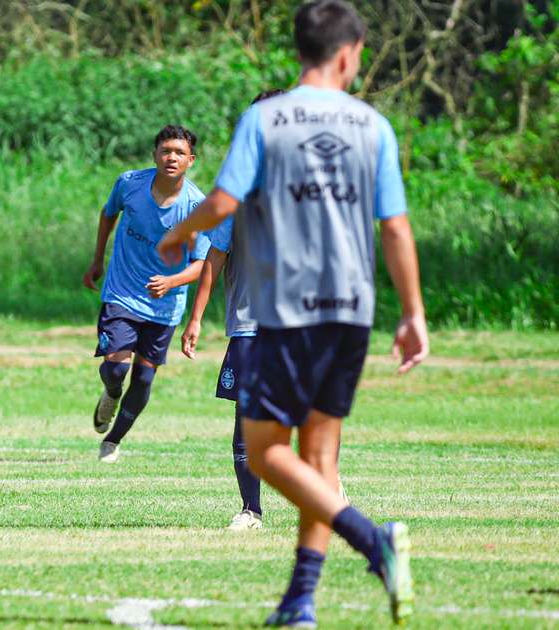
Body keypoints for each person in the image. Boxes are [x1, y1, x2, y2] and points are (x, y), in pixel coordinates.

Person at [158, 1, 427, 625]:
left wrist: (181, 234)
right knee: (320, 460)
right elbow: (394, 227)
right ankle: (300, 601)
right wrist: (412, 311)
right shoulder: (372, 125)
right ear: (350, 52)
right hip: (350, 311)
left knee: (262, 451)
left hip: (286, 311)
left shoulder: (266, 119)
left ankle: (372, 540)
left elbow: (223, 201)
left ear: (301, 50)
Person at [181, 89, 285, 531]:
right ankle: (251, 510)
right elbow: (215, 256)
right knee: (247, 423)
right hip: (249, 325)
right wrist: (196, 318)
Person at [82, 125, 210, 463]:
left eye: (179, 153)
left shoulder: (196, 207)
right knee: (116, 370)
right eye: (166, 151)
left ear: (191, 160)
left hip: (164, 305)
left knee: (143, 377)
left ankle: (112, 441)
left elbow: (203, 264)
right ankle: (111, 393)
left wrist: (172, 282)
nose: (171, 157)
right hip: (122, 292)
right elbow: (108, 214)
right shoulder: (129, 183)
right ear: (155, 155)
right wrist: (97, 260)